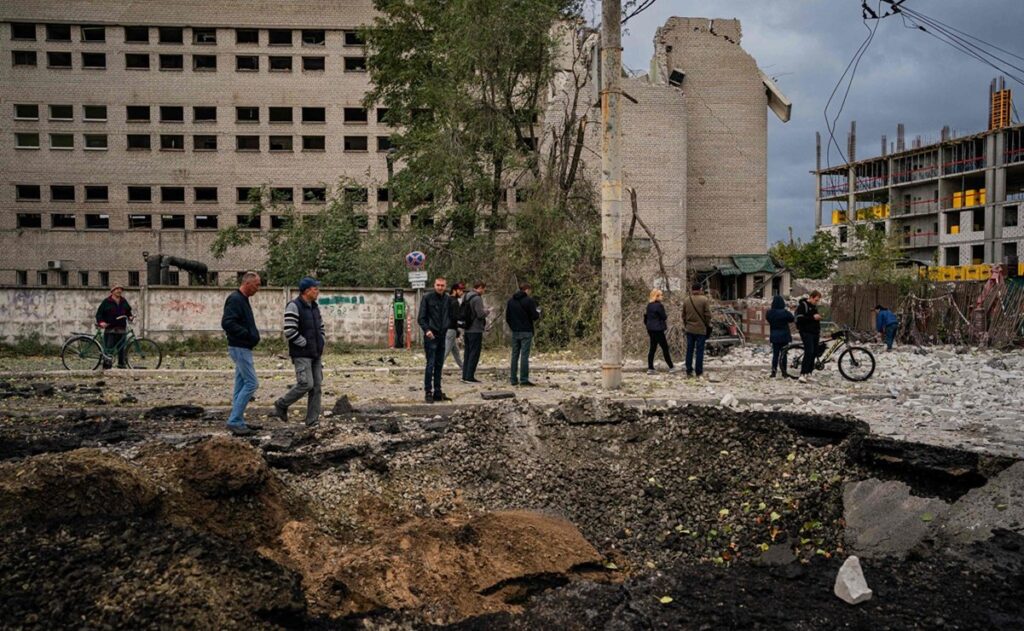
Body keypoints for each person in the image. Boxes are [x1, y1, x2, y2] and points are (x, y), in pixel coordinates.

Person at [269, 277, 325, 427]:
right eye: (315, 289)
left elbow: (321, 326)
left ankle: (312, 420)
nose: (318, 291)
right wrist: (304, 343)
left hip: (316, 353)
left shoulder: (314, 307)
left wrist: (322, 340)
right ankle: (281, 404)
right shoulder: (294, 306)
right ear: (306, 291)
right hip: (302, 353)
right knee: (306, 384)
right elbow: (289, 330)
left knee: (317, 387)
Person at [222, 271, 263, 436]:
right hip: (239, 347)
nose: (258, 288)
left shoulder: (242, 299)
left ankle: (238, 420)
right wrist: (247, 335)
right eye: (257, 285)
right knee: (252, 383)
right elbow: (227, 323)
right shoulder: (235, 299)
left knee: (240, 385)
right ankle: (234, 421)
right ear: (247, 283)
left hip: (243, 347)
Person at [418, 276, 451, 403]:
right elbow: (421, 318)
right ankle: (428, 392)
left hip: (442, 335)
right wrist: (427, 330)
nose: (440, 287)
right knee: (430, 364)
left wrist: (448, 327)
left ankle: (438, 391)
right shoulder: (427, 298)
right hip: (431, 335)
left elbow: (449, 315)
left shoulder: (447, 299)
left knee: (439, 364)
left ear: (445, 286)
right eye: (438, 285)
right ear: (434, 285)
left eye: (442, 285)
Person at [506, 283, 541, 386]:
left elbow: (508, 317)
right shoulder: (529, 301)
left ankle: (513, 379)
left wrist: (513, 327)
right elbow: (534, 316)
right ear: (527, 290)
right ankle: (524, 379)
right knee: (524, 356)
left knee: (514, 355)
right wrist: (538, 312)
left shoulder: (511, 301)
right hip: (526, 331)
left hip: (515, 331)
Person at [95, 285, 133, 369]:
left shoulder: (123, 301)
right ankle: (107, 367)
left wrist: (130, 316)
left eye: (120, 289)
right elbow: (99, 314)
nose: (119, 291)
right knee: (109, 349)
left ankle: (121, 365)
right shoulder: (106, 301)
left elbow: (128, 311)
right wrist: (101, 322)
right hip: (110, 329)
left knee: (121, 348)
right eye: (117, 289)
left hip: (121, 329)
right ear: (112, 291)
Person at [680, 283, 712, 378]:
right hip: (701, 329)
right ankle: (699, 372)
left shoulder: (686, 300)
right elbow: (708, 315)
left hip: (689, 329)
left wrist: (686, 325)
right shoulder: (704, 300)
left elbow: (683, 315)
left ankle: (689, 371)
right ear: (700, 289)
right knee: (699, 351)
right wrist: (706, 324)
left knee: (689, 350)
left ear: (692, 289)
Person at [644, 288, 676, 374]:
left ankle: (650, 367)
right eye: (661, 295)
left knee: (652, 348)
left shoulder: (649, 305)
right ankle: (671, 366)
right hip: (658, 329)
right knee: (665, 348)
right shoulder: (659, 306)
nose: (662, 296)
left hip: (650, 329)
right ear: (657, 296)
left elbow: (646, 317)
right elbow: (664, 317)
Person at [460, 282, 487, 383]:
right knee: (474, 353)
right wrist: (487, 311)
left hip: (467, 328)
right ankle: (470, 376)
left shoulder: (466, 296)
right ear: (479, 288)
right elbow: (480, 314)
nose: (484, 291)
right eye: (483, 289)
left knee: (467, 353)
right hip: (475, 329)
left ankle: (465, 375)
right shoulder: (477, 298)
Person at [794, 290, 823, 383]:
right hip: (806, 332)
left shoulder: (814, 307)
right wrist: (813, 317)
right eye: (816, 300)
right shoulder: (803, 306)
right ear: (811, 297)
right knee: (809, 351)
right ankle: (803, 373)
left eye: (818, 300)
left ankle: (809, 373)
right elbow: (800, 319)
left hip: (815, 332)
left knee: (814, 352)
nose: (816, 302)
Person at [765, 295, 795, 377]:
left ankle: (773, 371)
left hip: (774, 336)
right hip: (784, 336)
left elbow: (768, 319)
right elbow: (792, 319)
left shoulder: (769, 313)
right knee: (784, 355)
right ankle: (784, 372)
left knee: (775, 355)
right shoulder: (785, 312)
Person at [444, 282, 465, 370]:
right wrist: (462, 324)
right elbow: (455, 317)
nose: (462, 292)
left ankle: (464, 368)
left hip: (448, 328)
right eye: (460, 290)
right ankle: (435, 370)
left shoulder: (447, 300)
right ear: (454, 290)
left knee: (455, 351)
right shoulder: (455, 302)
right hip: (451, 329)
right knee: (445, 351)